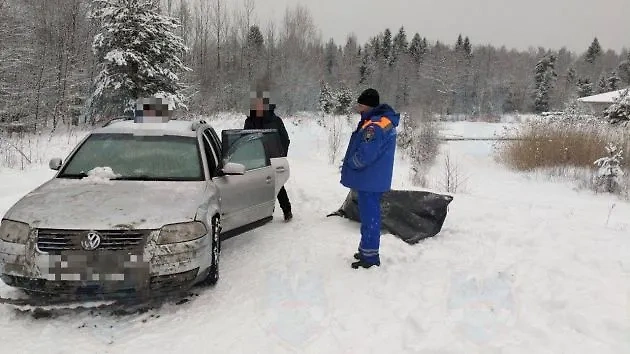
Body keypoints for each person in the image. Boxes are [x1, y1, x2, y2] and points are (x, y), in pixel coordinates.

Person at [340, 88, 400, 269]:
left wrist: (352, 163)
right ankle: (366, 250)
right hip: (374, 179)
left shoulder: (374, 126)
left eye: (360, 104)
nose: (358, 108)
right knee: (369, 218)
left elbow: (366, 154)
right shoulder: (381, 122)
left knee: (370, 219)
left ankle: (370, 258)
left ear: (368, 105)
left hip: (370, 180)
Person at [243, 88, 293, 222]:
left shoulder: (275, 120)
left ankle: (287, 210)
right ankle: (260, 213)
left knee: (277, 184)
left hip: (273, 158)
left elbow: (285, 139)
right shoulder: (250, 121)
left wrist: (280, 156)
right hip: (256, 159)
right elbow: (245, 140)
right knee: (256, 185)